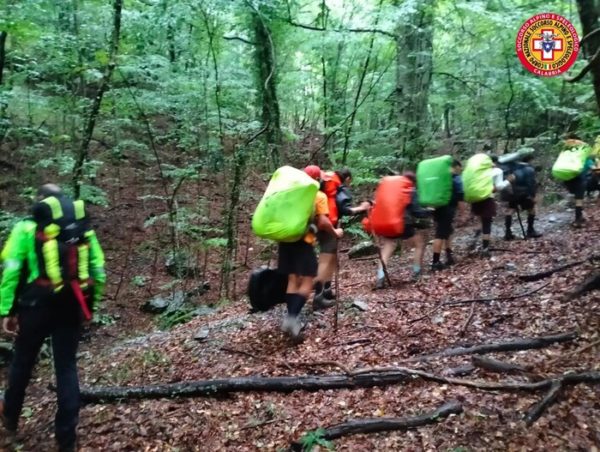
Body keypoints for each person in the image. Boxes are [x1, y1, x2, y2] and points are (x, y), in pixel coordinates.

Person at [0, 184, 106, 451]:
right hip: (71, 305)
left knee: (23, 362)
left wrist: (6, 311)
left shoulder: (26, 228)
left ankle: (10, 422)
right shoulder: (82, 229)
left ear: (39, 202)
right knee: (66, 368)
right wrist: (90, 307)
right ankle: (66, 439)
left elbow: (11, 272)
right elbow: (98, 269)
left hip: (35, 306)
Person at [279, 166, 342, 339]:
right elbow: (323, 222)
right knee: (307, 280)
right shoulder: (318, 195)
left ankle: (291, 317)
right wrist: (335, 232)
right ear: (317, 180)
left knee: (293, 279)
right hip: (303, 242)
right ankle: (291, 318)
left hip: (284, 240)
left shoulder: (290, 193)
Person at [313, 168, 370, 308]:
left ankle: (326, 290)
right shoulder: (337, 185)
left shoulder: (326, 181)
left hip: (316, 223)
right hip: (328, 225)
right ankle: (318, 297)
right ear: (348, 178)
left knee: (330, 259)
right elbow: (346, 209)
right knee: (326, 261)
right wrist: (362, 208)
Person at [373, 172, 430, 289]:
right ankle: (417, 271)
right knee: (419, 243)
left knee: (388, 248)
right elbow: (416, 211)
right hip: (403, 223)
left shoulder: (390, 189)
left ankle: (380, 276)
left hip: (386, 223)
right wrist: (430, 212)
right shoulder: (410, 189)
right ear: (413, 181)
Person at [468, 154, 514, 257]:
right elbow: (498, 187)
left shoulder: (478, 171)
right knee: (487, 223)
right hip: (487, 199)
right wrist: (508, 181)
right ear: (496, 162)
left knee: (479, 219)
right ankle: (485, 249)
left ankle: (473, 241)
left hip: (475, 198)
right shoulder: (497, 171)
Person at [431, 159, 464, 271]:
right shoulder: (455, 178)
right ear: (455, 166)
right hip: (448, 209)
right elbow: (460, 196)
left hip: (438, 208)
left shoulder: (440, 177)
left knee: (448, 231)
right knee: (440, 234)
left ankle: (449, 255)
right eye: (460, 167)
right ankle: (435, 262)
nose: (460, 170)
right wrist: (462, 213)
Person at [501, 154, 542, 240]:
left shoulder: (514, 168)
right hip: (525, 194)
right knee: (532, 210)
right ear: (530, 160)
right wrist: (532, 196)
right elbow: (531, 184)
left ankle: (508, 233)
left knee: (511, 210)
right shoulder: (530, 169)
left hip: (513, 193)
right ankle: (530, 230)